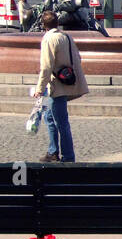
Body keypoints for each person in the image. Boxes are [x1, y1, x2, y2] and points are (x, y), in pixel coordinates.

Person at [32, 9, 89, 162]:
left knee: (61, 122)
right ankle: (53, 151)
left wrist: (39, 88)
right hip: (66, 80)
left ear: (44, 25)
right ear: (57, 23)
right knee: (50, 117)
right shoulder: (66, 36)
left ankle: (68, 156)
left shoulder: (48, 39)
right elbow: (78, 57)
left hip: (56, 85)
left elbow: (46, 66)